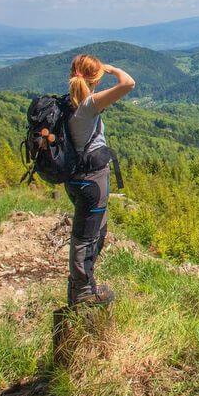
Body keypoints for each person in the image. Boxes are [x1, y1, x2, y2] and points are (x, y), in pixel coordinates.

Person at [64, 54, 134, 307]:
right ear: (95, 78)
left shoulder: (68, 104)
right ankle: (81, 293)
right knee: (85, 235)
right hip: (91, 180)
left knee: (95, 230)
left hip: (76, 179)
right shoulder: (88, 105)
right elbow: (128, 83)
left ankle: (84, 284)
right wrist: (113, 69)